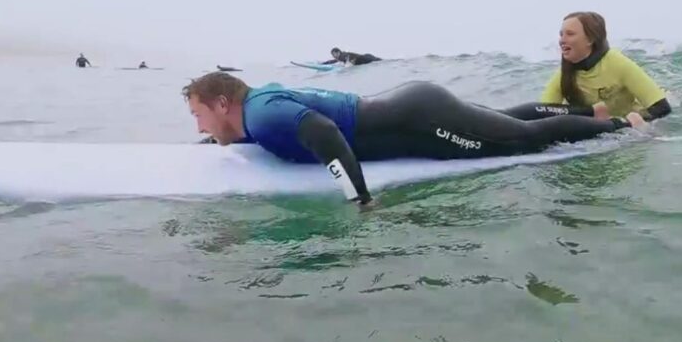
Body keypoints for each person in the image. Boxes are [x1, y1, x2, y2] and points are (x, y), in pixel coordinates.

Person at [183, 72, 646, 206]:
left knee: (522, 139)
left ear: (223, 104)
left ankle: (621, 127)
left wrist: (359, 200)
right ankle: (590, 111)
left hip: (422, 122)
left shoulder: (263, 117)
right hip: (413, 105)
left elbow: (323, 134)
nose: (200, 126)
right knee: (503, 119)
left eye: (200, 116)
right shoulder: (261, 108)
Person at [499, 11, 671, 123]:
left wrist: (630, 120)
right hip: (594, 124)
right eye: (561, 34)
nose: (562, 40)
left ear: (590, 40)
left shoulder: (618, 64)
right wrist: (590, 113)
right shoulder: (563, 75)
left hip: (627, 126)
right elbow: (543, 114)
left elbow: (661, 107)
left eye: (570, 34)